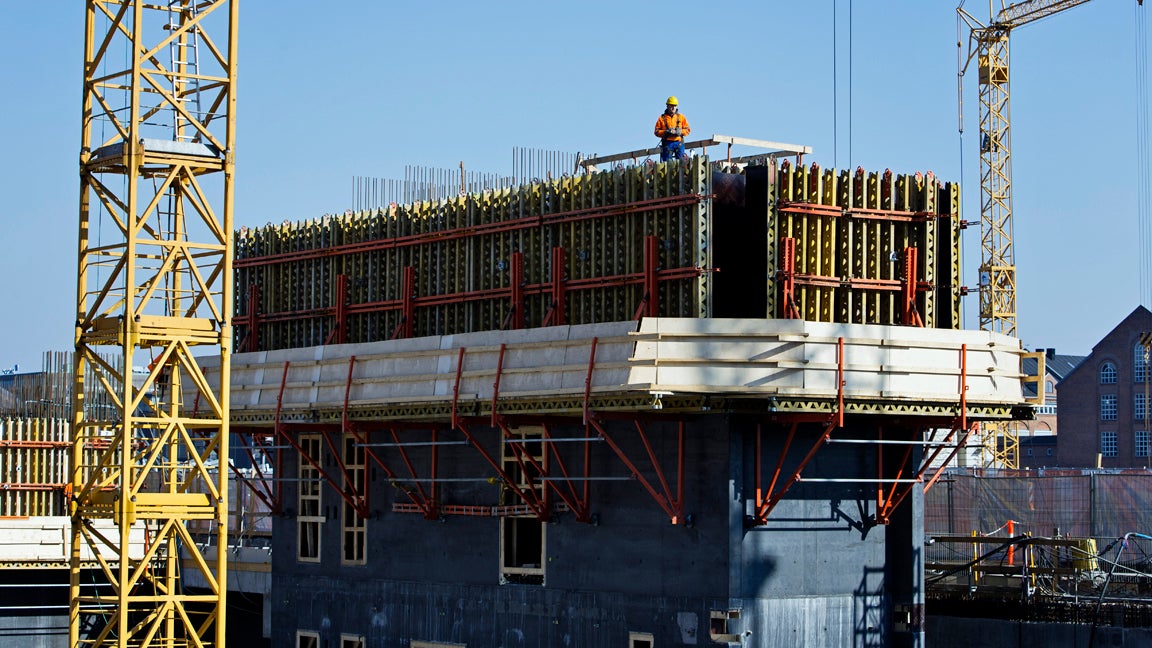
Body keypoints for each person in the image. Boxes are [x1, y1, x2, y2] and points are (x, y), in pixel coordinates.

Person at [654, 96, 691, 162]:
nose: (673, 108)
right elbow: (656, 131)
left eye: (675, 106)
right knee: (667, 164)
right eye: (671, 105)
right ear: (667, 106)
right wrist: (665, 132)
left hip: (679, 142)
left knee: (681, 163)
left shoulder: (681, 117)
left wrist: (679, 131)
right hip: (667, 143)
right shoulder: (661, 118)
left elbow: (687, 130)